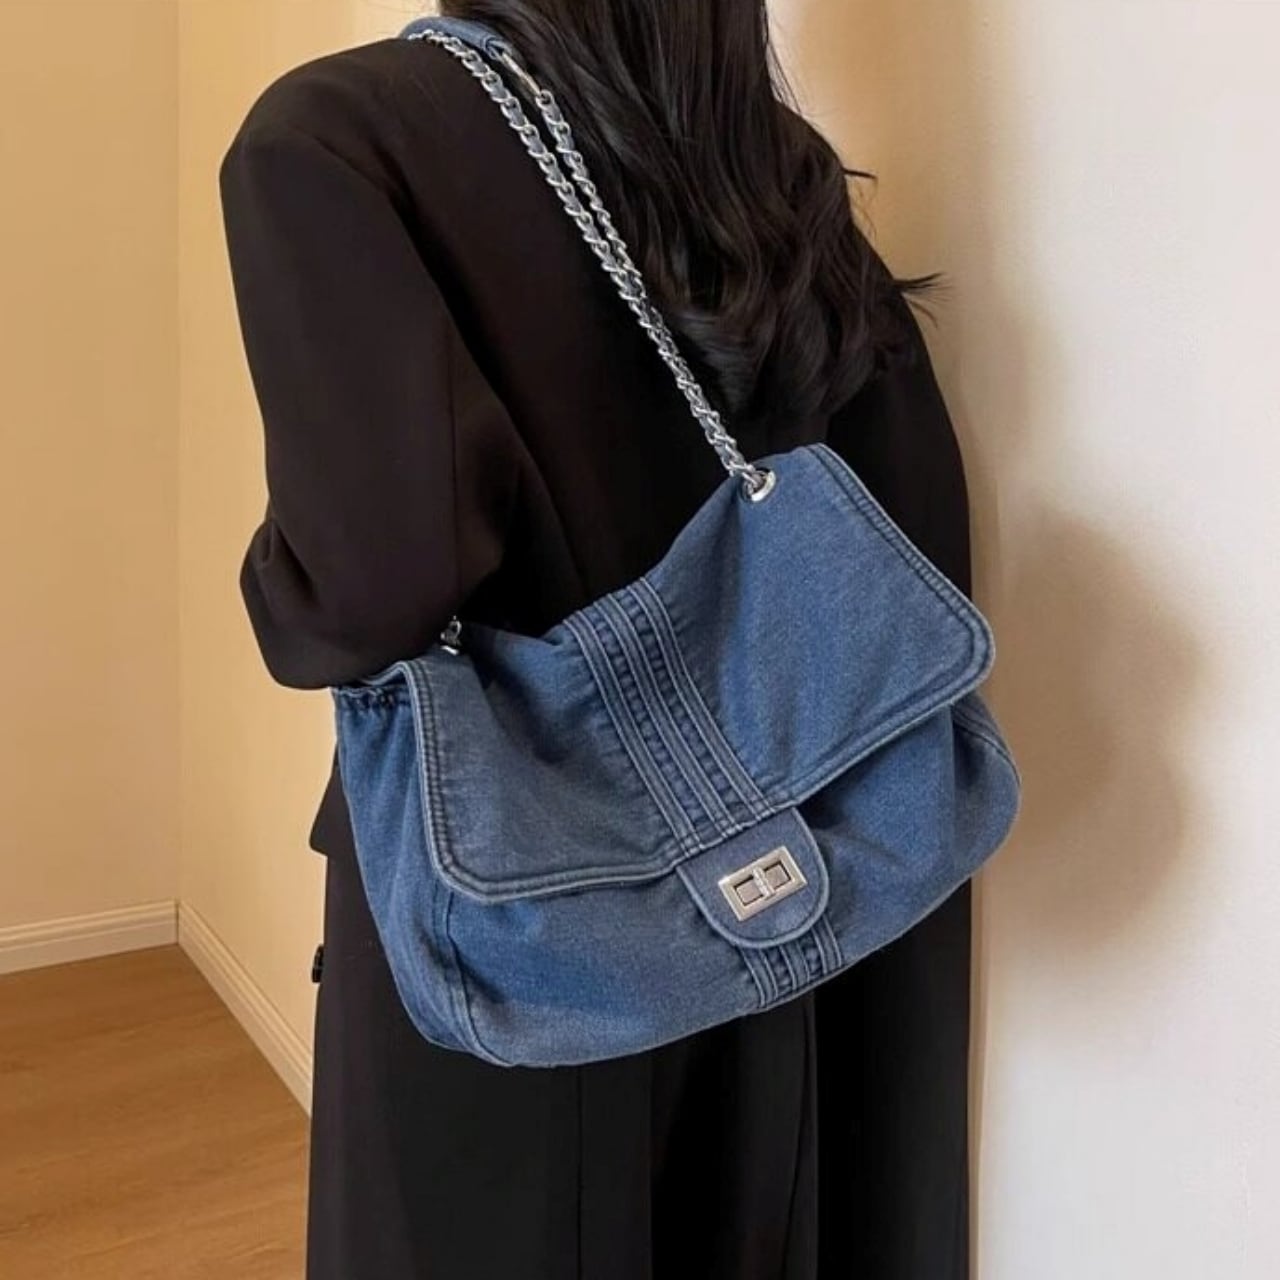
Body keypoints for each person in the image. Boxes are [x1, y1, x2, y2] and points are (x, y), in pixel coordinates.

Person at [218, 3, 977, 1276]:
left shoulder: (333, 137)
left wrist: (272, 582)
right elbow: (903, 506)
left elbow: (375, 578)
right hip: (789, 887)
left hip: (515, 911)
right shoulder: (757, 158)